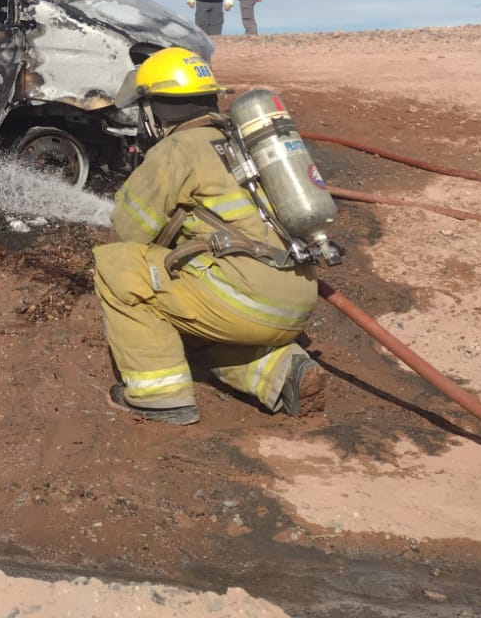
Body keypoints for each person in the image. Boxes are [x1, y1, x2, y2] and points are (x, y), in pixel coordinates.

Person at [93, 47, 324, 424]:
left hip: (247, 299)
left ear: (154, 108)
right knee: (189, 313)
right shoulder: (240, 139)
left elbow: (128, 231)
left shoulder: (176, 149)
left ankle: (159, 395)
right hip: (294, 296)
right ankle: (280, 370)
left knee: (118, 266)